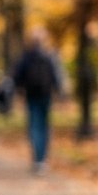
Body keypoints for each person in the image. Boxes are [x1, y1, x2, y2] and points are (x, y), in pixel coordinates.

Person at [13, 28, 65, 174]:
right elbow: (56, 76)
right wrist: (60, 93)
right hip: (45, 95)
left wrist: (19, 90)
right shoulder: (49, 56)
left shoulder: (26, 56)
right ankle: (41, 159)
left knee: (34, 126)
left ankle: (36, 158)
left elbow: (17, 76)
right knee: (44, 126)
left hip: (31, 95)